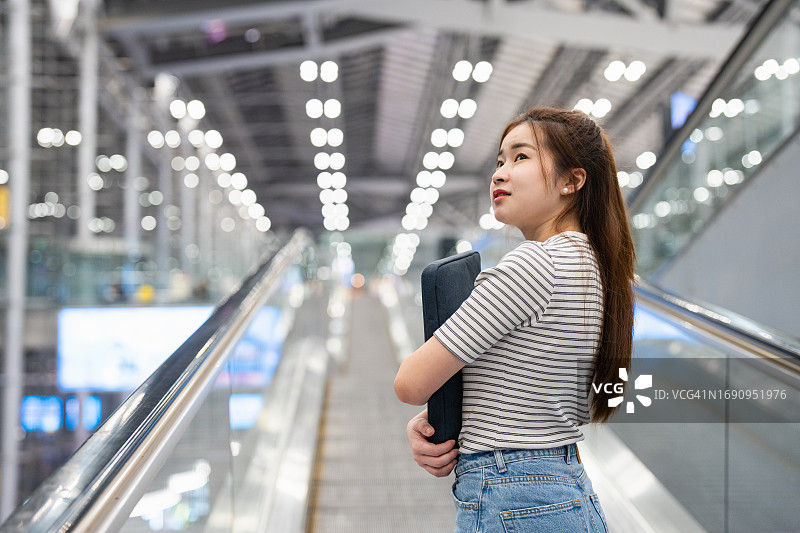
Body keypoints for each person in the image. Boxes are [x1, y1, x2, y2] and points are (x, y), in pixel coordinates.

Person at [394, 106, 635, 532]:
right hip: (565, 488)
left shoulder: (533, 265)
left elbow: (410, 383)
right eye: (500, 160)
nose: (500, 173)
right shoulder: (598, 269)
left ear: (571, 180)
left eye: (521, 157)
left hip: (513, 493)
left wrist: (424, 413)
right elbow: (548, 393)